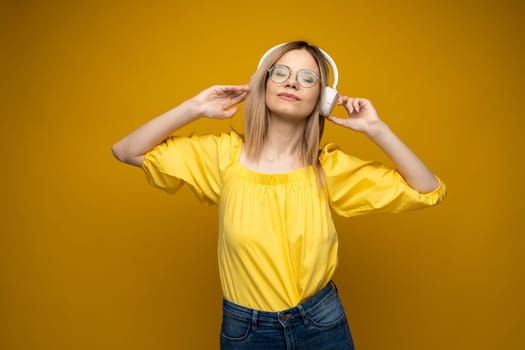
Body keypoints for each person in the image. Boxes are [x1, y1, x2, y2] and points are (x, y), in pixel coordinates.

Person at [112, 41, 446, 350]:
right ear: (263, 84)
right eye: (281, 73)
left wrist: (377, 130)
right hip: (246, 331)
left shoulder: (327, 169)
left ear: (323, 99)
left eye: (307, 78)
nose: (291, 83)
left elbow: (428, 189)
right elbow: (126, 150)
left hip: (322, 323)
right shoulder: (221, 157)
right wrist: (194, 107)